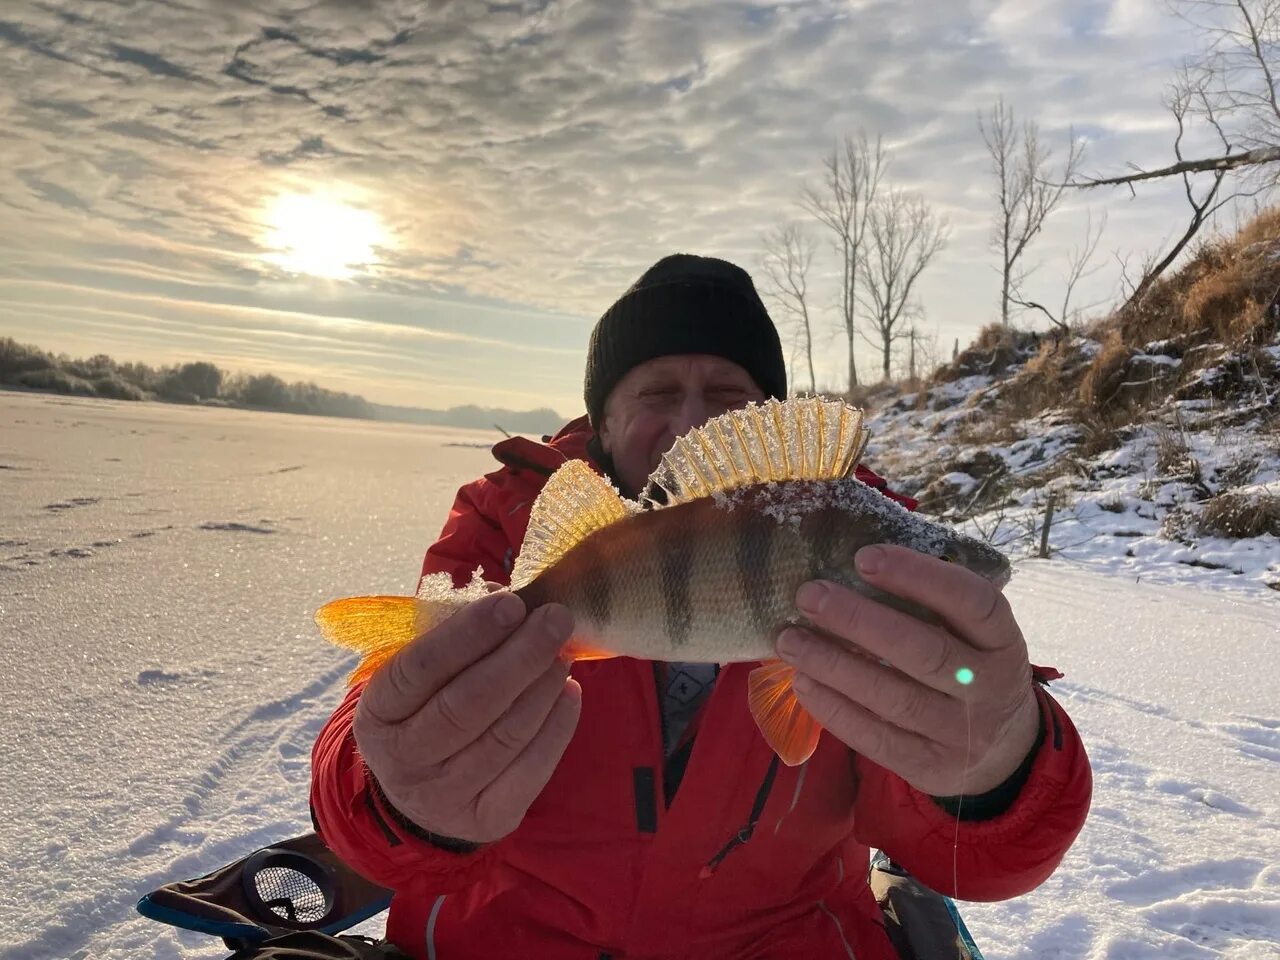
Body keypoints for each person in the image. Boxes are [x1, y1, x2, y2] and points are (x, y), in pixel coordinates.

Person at [310, 254, 1092, 960]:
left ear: (768, 420)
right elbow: (358, 806)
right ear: (603, 418)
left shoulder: (875, 553)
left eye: (727, 394)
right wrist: (396, 793)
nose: (691, 422)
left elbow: (980, 857)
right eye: (656, 392)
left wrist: (996, 767)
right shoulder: (500, 527)